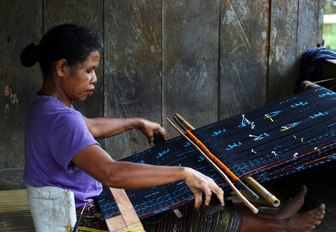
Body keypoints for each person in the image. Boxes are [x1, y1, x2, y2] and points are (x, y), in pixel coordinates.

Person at [21, 24, 325, 232]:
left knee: (181, 195)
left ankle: (275, 216)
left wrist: (136, 122)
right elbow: (110, 173)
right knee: (186, 213)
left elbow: (87, 126)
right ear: (62, 68)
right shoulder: (61, 118)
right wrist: (184, 172)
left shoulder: (46, 107)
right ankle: (280, 226)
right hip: (87, 222)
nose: (94, 79)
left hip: (77, 210)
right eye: (89, 71)